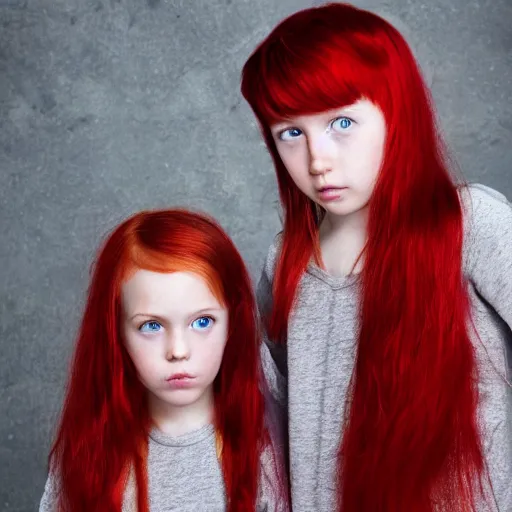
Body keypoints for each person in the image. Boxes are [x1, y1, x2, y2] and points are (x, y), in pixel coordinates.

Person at [240, 2, 512, 511]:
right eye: (291, 133)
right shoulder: (286, 262)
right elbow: (267, 427)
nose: (318, 160)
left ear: (395, 110)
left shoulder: (472, 226)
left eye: (341, 122)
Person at [38, 209, 288, 512]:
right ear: (116, 332)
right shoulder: (86, 454)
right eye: (151, 326)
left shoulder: (266, 448)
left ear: (231, 324)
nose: (178, 350)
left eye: (202, 322)